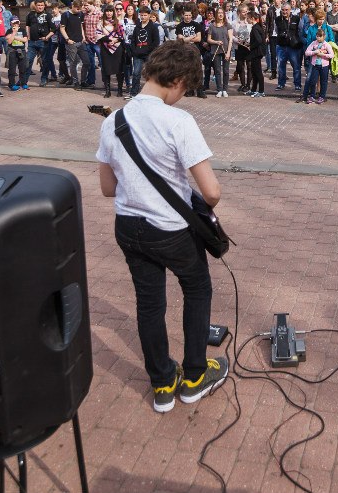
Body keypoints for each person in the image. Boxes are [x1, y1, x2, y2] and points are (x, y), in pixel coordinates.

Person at [95, 41, 227, 413]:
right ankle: (195, 377)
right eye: (186, 90)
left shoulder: (112, 121)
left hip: (128, 226)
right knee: (197, 289)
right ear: (179, 81)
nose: (182, 97)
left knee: (149, 302)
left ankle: (163, 382)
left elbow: (107, 188)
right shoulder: (178, 121)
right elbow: (212, 192)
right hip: (171, 230)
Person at [129, 5, 164, 97]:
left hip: (149, 54)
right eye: (141, 15)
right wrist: (134, 51)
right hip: (137, 54)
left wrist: (148, 50)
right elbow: (133, 40)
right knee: (136, 73)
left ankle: (151, 92)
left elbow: (156, 42)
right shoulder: (137, 27)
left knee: (150, 74)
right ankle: (134, 92)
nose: (143, 17)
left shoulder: (153, 27)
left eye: (145, 15)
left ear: (149, 15)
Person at [26, 0, 56, 87]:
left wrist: (47, 37)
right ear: (35, 6)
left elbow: (54, 29)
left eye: (42, 5)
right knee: (28, 60)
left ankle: (44, 79)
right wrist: (28, 36)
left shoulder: (48, 15)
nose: (40, 7)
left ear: (44, 6)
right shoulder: (30, 14)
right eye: (38, 5)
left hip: (44, 43)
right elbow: (27, 25)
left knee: (45, 62)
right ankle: (24, 80)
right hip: (32, 42)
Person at [5, 18, 30, 92]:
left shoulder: (22, 30)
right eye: (14, 23)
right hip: (12, 51)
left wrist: (14, 37)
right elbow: (9, 41)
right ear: (11, 23)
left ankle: (23, 83)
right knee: (12, 69)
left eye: (17, 23)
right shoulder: (9, 31)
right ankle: (11, 84)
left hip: (22, 51)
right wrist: (14, 32)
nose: (15, 24)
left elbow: (25, 40)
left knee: (23, 68)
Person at [246, 11, 267, 97]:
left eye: (248, 18)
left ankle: (261, 91)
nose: (247, 19)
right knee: (254, 72)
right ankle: (253, 89)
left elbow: (259, 40)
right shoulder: (256, 27)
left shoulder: (255, 28)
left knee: (258, 72)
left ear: (252, 19)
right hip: (256, 52)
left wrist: (251, 47)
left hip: (256, 53)